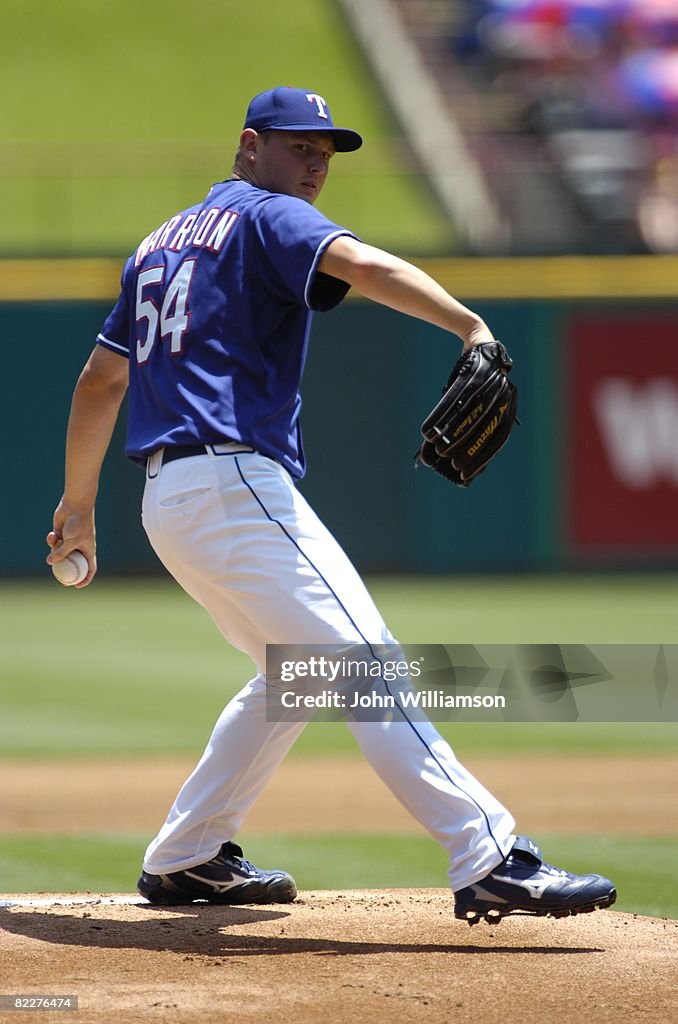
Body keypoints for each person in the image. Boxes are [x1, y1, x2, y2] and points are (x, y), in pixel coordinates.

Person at [47, 86, 616, 923]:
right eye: (297, 145)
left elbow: (102, 381)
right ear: (249, 147)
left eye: (327, 151)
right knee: (363, 658)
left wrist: (80, 501)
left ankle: (188, 856)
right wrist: (471, 327)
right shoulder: (267, 216)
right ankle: (488, 855)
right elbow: (367, 265)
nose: (315, 164)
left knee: (297, 677)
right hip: (233, 480)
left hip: (168, 500)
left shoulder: (159, 244)